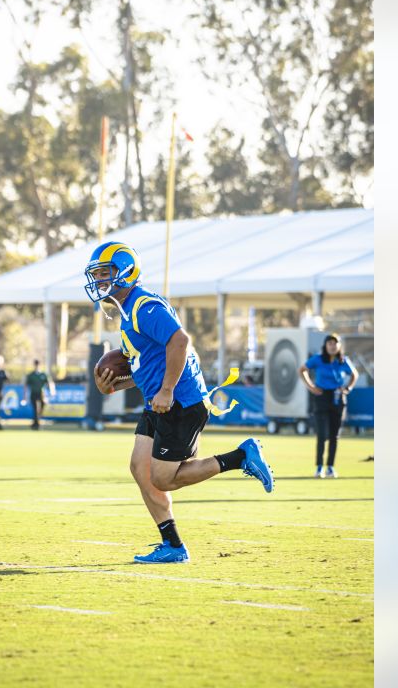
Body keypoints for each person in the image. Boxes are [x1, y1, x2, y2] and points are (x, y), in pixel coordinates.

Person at [85, 240, 274, 564]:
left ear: (127, 272)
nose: (100, 281)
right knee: (140, 469)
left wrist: (168, 390)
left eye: (106, 273)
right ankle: (172, 544)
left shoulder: (144, 306)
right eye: (98, 274)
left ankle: (240, 456)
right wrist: (115, 387)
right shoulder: (129, 310)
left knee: (162, 478)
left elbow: (180, 341)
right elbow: (148, 366)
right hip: (160, 402)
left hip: (180, 403)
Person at [299, 334, 357, 477]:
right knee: (322, 434)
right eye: (330, 343)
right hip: (321, 397)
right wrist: (311, 387)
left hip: (338, 398)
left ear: (339, 346)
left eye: (335, 343)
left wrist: (348, 388)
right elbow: (302, 370)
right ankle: (319, 467)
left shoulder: (343, 361)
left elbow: (354, 374)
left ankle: (330, 467)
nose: (332, 346)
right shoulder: (318, 359)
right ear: (325, 345)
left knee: (334, 436)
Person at [24, 359, 55, 430]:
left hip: (41, 394)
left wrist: (52, 391)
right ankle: (36, 424)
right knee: (35, 409)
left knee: (41, 407)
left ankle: (35, 423)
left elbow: (50, 383)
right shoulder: (31, 375)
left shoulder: (43, 374)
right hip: (33, 393)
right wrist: (25, 396)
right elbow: (26, 385)